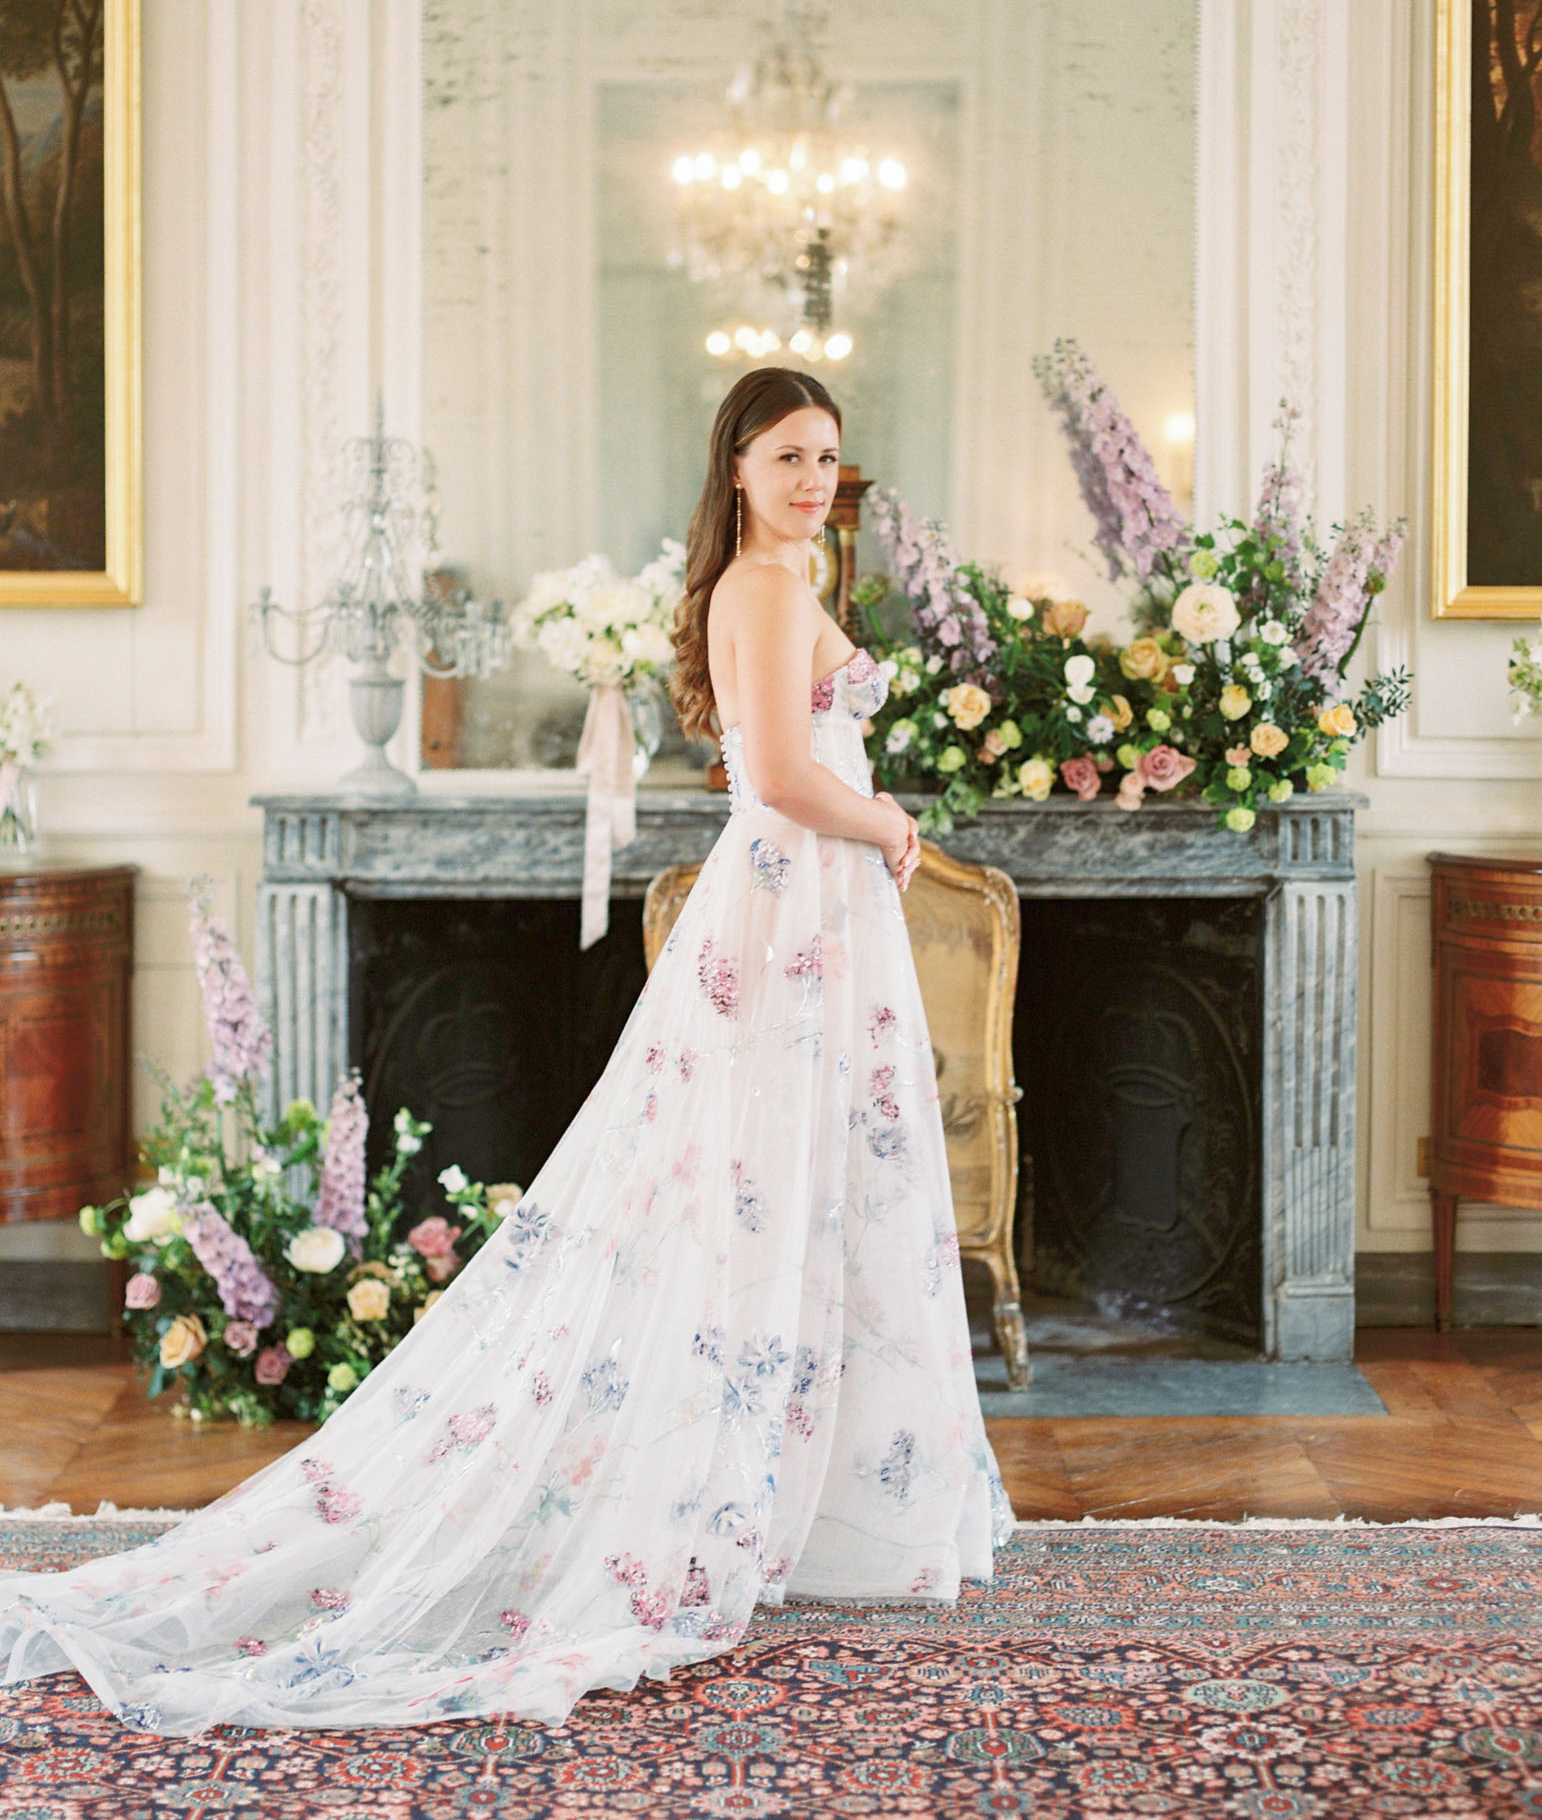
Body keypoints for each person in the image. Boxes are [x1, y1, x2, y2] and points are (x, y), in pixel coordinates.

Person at [0, 366, 1012, 1735]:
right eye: (786, 455)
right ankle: (711, 1497)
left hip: (804, 903)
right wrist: (891, 823)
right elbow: (774, 775)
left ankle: (775, 1496)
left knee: (779, 1199)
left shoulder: (786, 579)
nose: (814, 478)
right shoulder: (764, 591)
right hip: (792, 902)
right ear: (733, 467)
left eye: (828, 455)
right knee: (746, 1196)